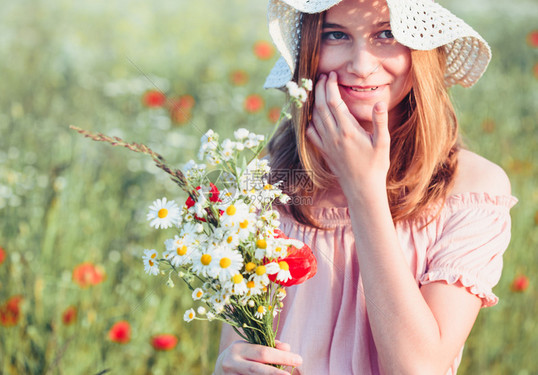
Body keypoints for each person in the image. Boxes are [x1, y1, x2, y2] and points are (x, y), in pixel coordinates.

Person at [214, 0, 517, 374]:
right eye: (335, 35)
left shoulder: (469, 186)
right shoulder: (266, 180)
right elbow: (239, 345)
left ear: (421, 48)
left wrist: (364, 192)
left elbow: (418, 368)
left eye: (386, 34)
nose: (360, 65)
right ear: (309, 49)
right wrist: (228, 365)